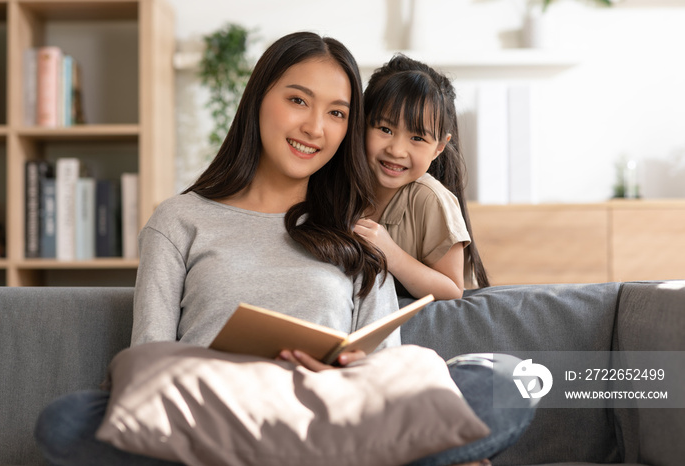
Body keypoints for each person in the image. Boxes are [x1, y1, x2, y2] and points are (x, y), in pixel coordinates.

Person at [35, 33, 531, 466]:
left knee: (506, 381)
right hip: (216, 412)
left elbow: (384, 367)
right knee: (69, 419)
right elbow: (150, 355)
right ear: (258, 99)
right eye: (298, 101)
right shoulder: (179, 219)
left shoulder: (356, 229)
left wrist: (348, 373)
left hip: (327, 412)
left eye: (337, 113)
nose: (316, 127)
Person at [354, 54, 490, 300]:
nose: (396, 150)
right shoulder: (344, 184)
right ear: (362, 124)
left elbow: (451, 290)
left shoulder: (431, 200)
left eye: (417, 138)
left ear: (439, 147)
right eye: (385, 129)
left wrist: (390, 254)